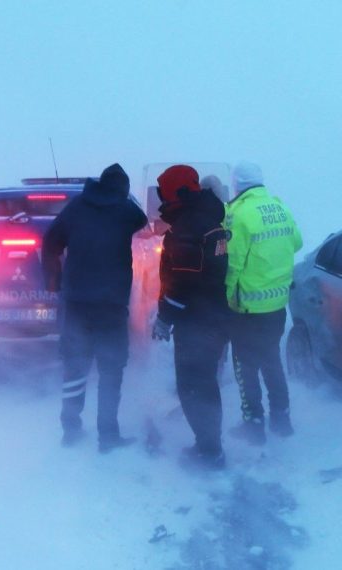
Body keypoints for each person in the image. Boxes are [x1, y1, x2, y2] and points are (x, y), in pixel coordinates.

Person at [43, 163, 148, 453]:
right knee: (111, 371)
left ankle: (71, 430)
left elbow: (50, 241)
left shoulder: (77, 206)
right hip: (111, 307)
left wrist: (53, 280)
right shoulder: (125, 210)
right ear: (123, 189)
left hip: (77, 304)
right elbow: (142, 220)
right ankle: (108, 436)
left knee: (75, 368)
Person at [150, 165, 231, 470]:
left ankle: (209, 451)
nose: (162, 199)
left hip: (196, 322)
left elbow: (182, 284)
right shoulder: (209, 221)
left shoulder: (187, 229)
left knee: (192, 386)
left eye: (164, 192)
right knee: (205, 383)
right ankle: (210, 445)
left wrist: (164, 318)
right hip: (214, 316)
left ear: (176, 192)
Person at [224, 161, 303, 444]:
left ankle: (254, 425)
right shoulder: (280, 207)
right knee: (271, 361)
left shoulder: (237, 214)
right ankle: (282, 421)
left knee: (245, 368)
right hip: (277, 305)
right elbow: (297, 243)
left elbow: (232, 263)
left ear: (236, 184)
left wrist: (225, 297)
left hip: (246, 309)